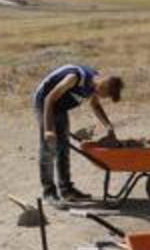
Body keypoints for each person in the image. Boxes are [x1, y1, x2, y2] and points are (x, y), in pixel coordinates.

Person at [33, 64, 124, 207]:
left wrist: (109, 127)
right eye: (104, 94)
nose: (102, 97)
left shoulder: (95, 84)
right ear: (103, 85)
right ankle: (49, 193)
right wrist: (48, 130)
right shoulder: (75, 78)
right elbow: (49, 99)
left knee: (63, 148)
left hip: (60, 107)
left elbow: (95, 105)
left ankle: (66, 190)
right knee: (49, 149)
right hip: (45, 102)